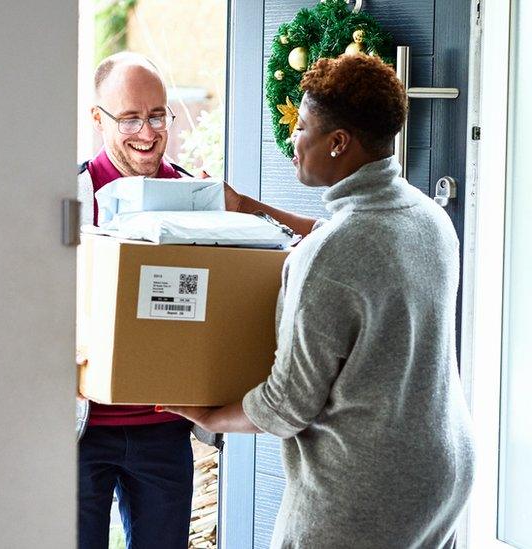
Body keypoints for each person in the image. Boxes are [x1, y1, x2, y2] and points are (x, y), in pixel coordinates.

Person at [162, 54, 476, 548]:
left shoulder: (333, 258)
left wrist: (209, 416)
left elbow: (287, 406)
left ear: (338, 143)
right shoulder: (425, 216)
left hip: (366, 489)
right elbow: (351, 244)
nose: (293, 138)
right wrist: (247, 207)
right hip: (442, 473)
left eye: (302, 126)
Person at [76, 51, 315, 549]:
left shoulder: (196, 197)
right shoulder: (70, 197)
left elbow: (245, 283)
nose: (148, 132)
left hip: (165, 428)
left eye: (158, 115)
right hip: (80, 431)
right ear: (98, 119)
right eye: (130, 118)